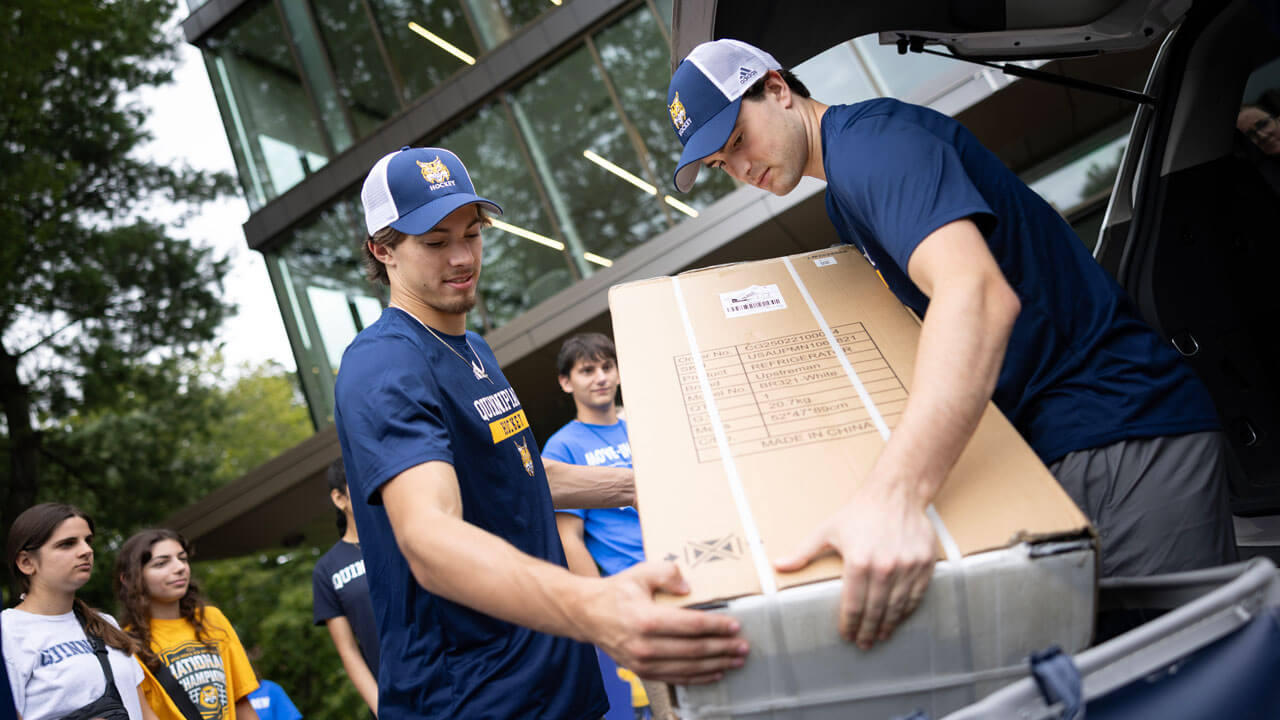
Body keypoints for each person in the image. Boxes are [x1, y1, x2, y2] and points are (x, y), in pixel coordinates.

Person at [667, 39, 1236, 649]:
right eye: (723, 165)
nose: (741, 167)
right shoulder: (846, 189)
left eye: (736, 139)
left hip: (1122, 433)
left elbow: (978, 298)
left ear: (777, 89)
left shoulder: (870, 146)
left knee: (1203, 682)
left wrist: (891, 499)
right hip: (1065, 451)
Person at [333, 146, 748, 718]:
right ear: (384, 250)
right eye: (435, 242)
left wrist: (658, 481)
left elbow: (522, 472)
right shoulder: (384, 364)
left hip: (555, 677)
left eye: (472, 233)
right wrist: (597, 607)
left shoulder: (471, 347)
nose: (462, 257)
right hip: (476, 696)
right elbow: (429, 538)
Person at [545, 332, 671, 720]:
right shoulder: (561, 449)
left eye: (606, 366)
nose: (600, 377)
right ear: (567, 382)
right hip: (634, 593)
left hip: (683, 575)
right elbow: (569, 538)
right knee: (671, 711)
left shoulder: (647, 428)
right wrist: (605, 605)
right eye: (587, 370)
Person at [3, 503, 156, 720]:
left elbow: (145, 712)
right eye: (67, 544)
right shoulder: (8, 632)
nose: (87, 551)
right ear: (26, 562)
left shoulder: (105, 623)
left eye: (88, 541)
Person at [114, 529, 260, 720]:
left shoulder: (211, 619)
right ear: (128, 579)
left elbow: (241, 702)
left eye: (182, 558)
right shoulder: (127, 645)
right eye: (161, 563)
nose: (179, 567)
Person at [311, 459, 378, 715]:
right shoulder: (327, 570)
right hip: (395, 698)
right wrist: (382, 707)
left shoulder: (404, 536)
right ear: (339, 499)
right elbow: (348, 651)